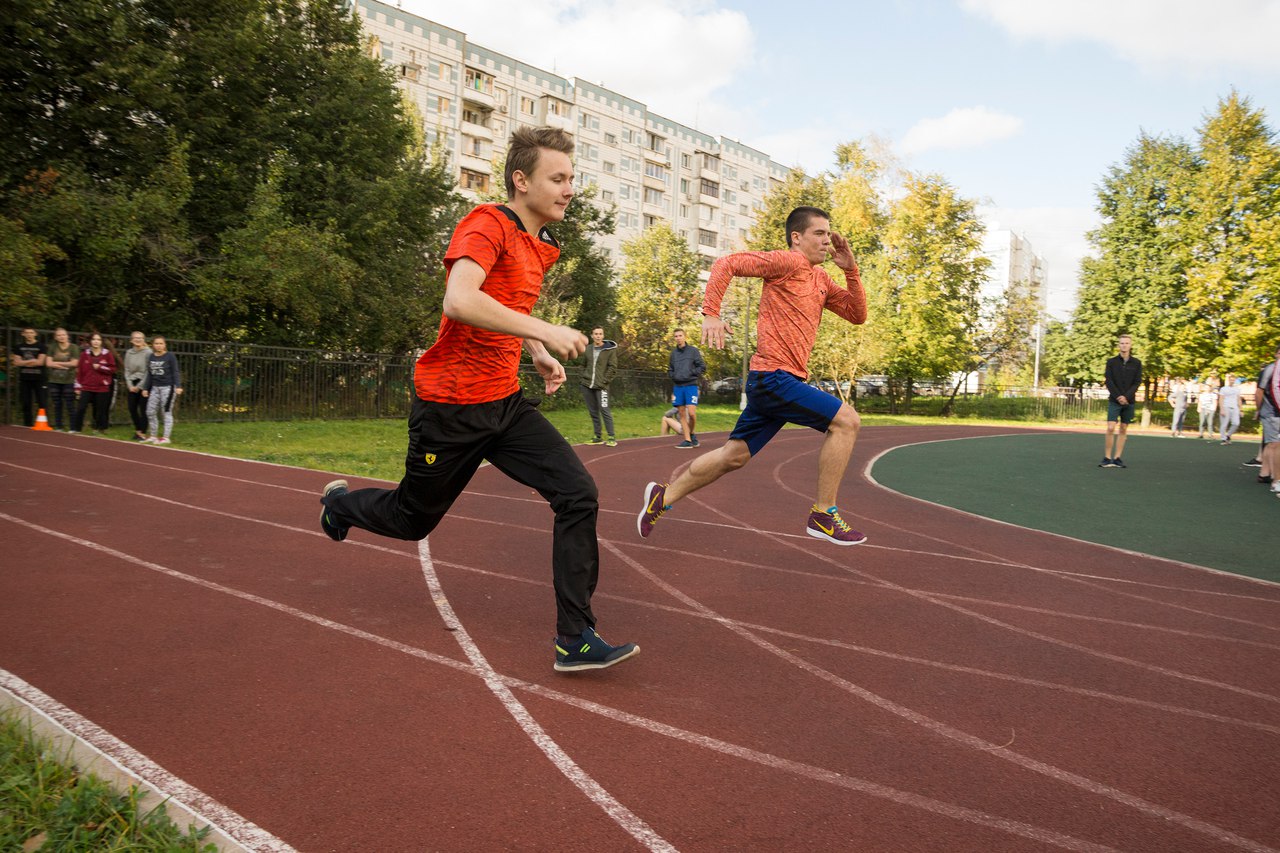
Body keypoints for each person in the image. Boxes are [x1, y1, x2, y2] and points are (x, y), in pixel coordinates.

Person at [317, 126, 637, 673]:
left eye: (571, 179)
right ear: (521, 181)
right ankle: (340, 505)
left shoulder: (543, 247)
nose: (568, 189)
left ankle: (575, 637)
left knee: (578, 494)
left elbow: (502, 304)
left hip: (505, 403)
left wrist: (535, 348)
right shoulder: (487, 223)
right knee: (412, 520)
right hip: (451, 408)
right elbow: (461, 300)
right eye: (557, 179)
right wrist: (543, 326)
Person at [637, 205, 869, 546]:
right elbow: (726, 264)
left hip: (777, 382)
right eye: (819, 233)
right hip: (774, 377)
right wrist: (711, 314)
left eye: (828, 233)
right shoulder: (786, 262)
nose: (827, 240)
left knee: (734, 456)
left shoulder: (821, 279)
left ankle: (664, 497)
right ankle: (823, 514)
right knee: (846, 421)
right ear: (797, 238)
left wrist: (851, 271)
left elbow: (856, 314)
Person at [1100, 333, 1141, 468]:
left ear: (1130, 345)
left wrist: (1126, 397)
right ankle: (1107, 457)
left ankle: (1117, 457)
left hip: (1129, 401)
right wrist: (1118, 396)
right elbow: (1109, 381)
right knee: (1111, 427)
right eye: (1122, 343)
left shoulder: (1136, 363)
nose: (1124, 345)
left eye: (1127, 343)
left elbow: (1137, 382)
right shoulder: (1111, 362)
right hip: (1114, 399)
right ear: (1119, 345)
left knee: (1123, 428)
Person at [580, 326, 618, 447]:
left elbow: (613, 367)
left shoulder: (609, 350)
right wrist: (582, 377)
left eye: (600, 334)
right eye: (596, 334)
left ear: (603, 335)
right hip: (587, 385)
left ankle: (611, 436)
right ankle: (597, 436)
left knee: (605, 410)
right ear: (592, 335)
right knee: (593, 412)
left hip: (602, 386)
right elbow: (583, 365)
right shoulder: (588, 349)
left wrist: (604, 382)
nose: (598, 336)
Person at [141, 336, 182, 444]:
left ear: (164, 345)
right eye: (156, 343)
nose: (158, 345)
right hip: (155, 387)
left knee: (166, 412)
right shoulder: (151, 357)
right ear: (153, 345)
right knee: (150, 411)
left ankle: (166, 437)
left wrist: (178, 386)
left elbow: (175, 372)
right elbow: (149, 374)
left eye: (161, 343)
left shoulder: (170, 356)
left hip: (168, 387)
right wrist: (146, 388)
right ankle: (153, 435)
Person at [71, 332, 116, 434]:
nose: (96, 342)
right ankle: (77, 429)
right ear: (90, 341)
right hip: (86, 386)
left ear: (101, 342)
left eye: (98, 340)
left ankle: (100, 428)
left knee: (100, 409)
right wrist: (77, 387)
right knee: (81, 407)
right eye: (94, 339)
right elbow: (79, 371)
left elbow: (112, 369)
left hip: (102, 387)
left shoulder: (107, 354)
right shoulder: (84, 354)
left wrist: (100, 367)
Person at [668, 328, 706, 448]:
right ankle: (688, 440)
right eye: (676, 336)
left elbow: (702, 366)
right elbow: (670, 369)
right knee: (682, 414)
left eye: (680, 335)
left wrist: (691, 373)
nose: (678, 338)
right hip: (678, 386)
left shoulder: (693, 351)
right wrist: (673, 376)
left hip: (691, 385)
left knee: (692, 413)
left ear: (685, 336)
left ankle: (692, 432)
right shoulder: (673, 354)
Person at [1255, 345, 1280, 498]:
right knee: (1274, 444)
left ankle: (1266, 473)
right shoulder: (1270, 369)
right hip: (1272, 412)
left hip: (1273, 412)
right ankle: (1275, 479)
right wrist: (1259, 410)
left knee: (1272, 443)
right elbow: (1259, 391)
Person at [11, 327, 48, 427]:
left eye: (31, 332)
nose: (29, 334)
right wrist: (32, 361)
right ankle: (27, 424)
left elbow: (40, 362)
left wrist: (24, 362)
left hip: (39, 378)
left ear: (35, 334)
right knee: (26, 403)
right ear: (23, 334)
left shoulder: (41, 346)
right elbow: (16, 362)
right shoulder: (19, 347)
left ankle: (43, 423)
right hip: (25, 378)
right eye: (26, 333)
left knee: (42, 402)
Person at [44, 328, 79, 431]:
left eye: (63, 335)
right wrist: (64, 365)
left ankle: (73, 427)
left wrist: (57, 364)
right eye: (58, 335)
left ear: (67, 335)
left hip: (69, 380)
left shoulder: (73, 347)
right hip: (54, 380)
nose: (61, 337)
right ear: (55, 337)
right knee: (57, 404)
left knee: (70, 404)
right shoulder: (52, 347)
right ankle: (59, 426)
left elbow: (74, 363)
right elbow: (48, 363)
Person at [122, 331, 153, 441]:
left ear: (143, 340)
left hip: (144, 383)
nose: (138, 340)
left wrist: (140, 386)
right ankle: (138, 429)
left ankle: (142, 432)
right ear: (131, 340)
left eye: (140, 338)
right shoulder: (129, 353)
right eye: (135, 338)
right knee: (132, 408)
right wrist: (130, 385)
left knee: (143, 409)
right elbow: (126, 370)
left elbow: (148, 371)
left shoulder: (148, 352)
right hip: (132, 382)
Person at [1217, 374, 1242, 445]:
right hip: (1226, 407)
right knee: (1224, 424)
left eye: (1233, 380)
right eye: (1231, 380)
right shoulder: (1224, 389)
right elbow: (1221, 399)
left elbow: (1238, 399)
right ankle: (1223, 439)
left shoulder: (1237, 389)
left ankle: (1228, 435)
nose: (1232, 381)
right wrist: (1221, 409)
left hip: (1234, 407)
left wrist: (1241, 409)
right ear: (1228, 380)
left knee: (1236, 423)